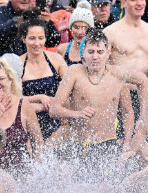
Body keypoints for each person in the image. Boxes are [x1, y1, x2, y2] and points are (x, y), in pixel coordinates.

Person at [49, 29, 140, 177]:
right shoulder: (74, 72)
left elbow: (127, 111)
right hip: (77, 143)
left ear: (107, 52)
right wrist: (77, 114)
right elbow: (54, 110)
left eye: (100, 52)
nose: (95, 57)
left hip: (107, 144)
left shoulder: (117, 76)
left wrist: (127, 143)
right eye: (91, 52)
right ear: (83, 52)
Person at [19, 16, 68, 138]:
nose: (37, 43)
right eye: (32, 38)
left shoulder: (56, 60)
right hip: (30, 118)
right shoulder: (18, 64)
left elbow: (70, 88)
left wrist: (63, 111)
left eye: (40, 38)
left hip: (56, 116)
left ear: (45, 38)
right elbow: (14, 99)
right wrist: (40, 98)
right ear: (23, 39)